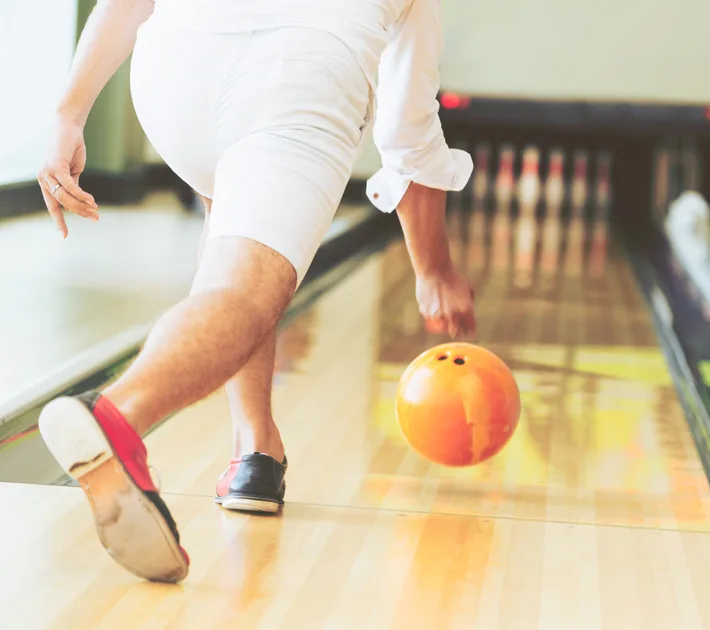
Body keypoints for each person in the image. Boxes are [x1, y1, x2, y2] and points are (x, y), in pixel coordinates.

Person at [34, 0, 476, 584]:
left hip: (175, 71)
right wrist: (435, 268)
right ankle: (118, 415)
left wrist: (68, 114)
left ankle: (256, 452)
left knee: (239, 241)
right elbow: (407, 133)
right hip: (300, 76)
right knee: (246, 291)